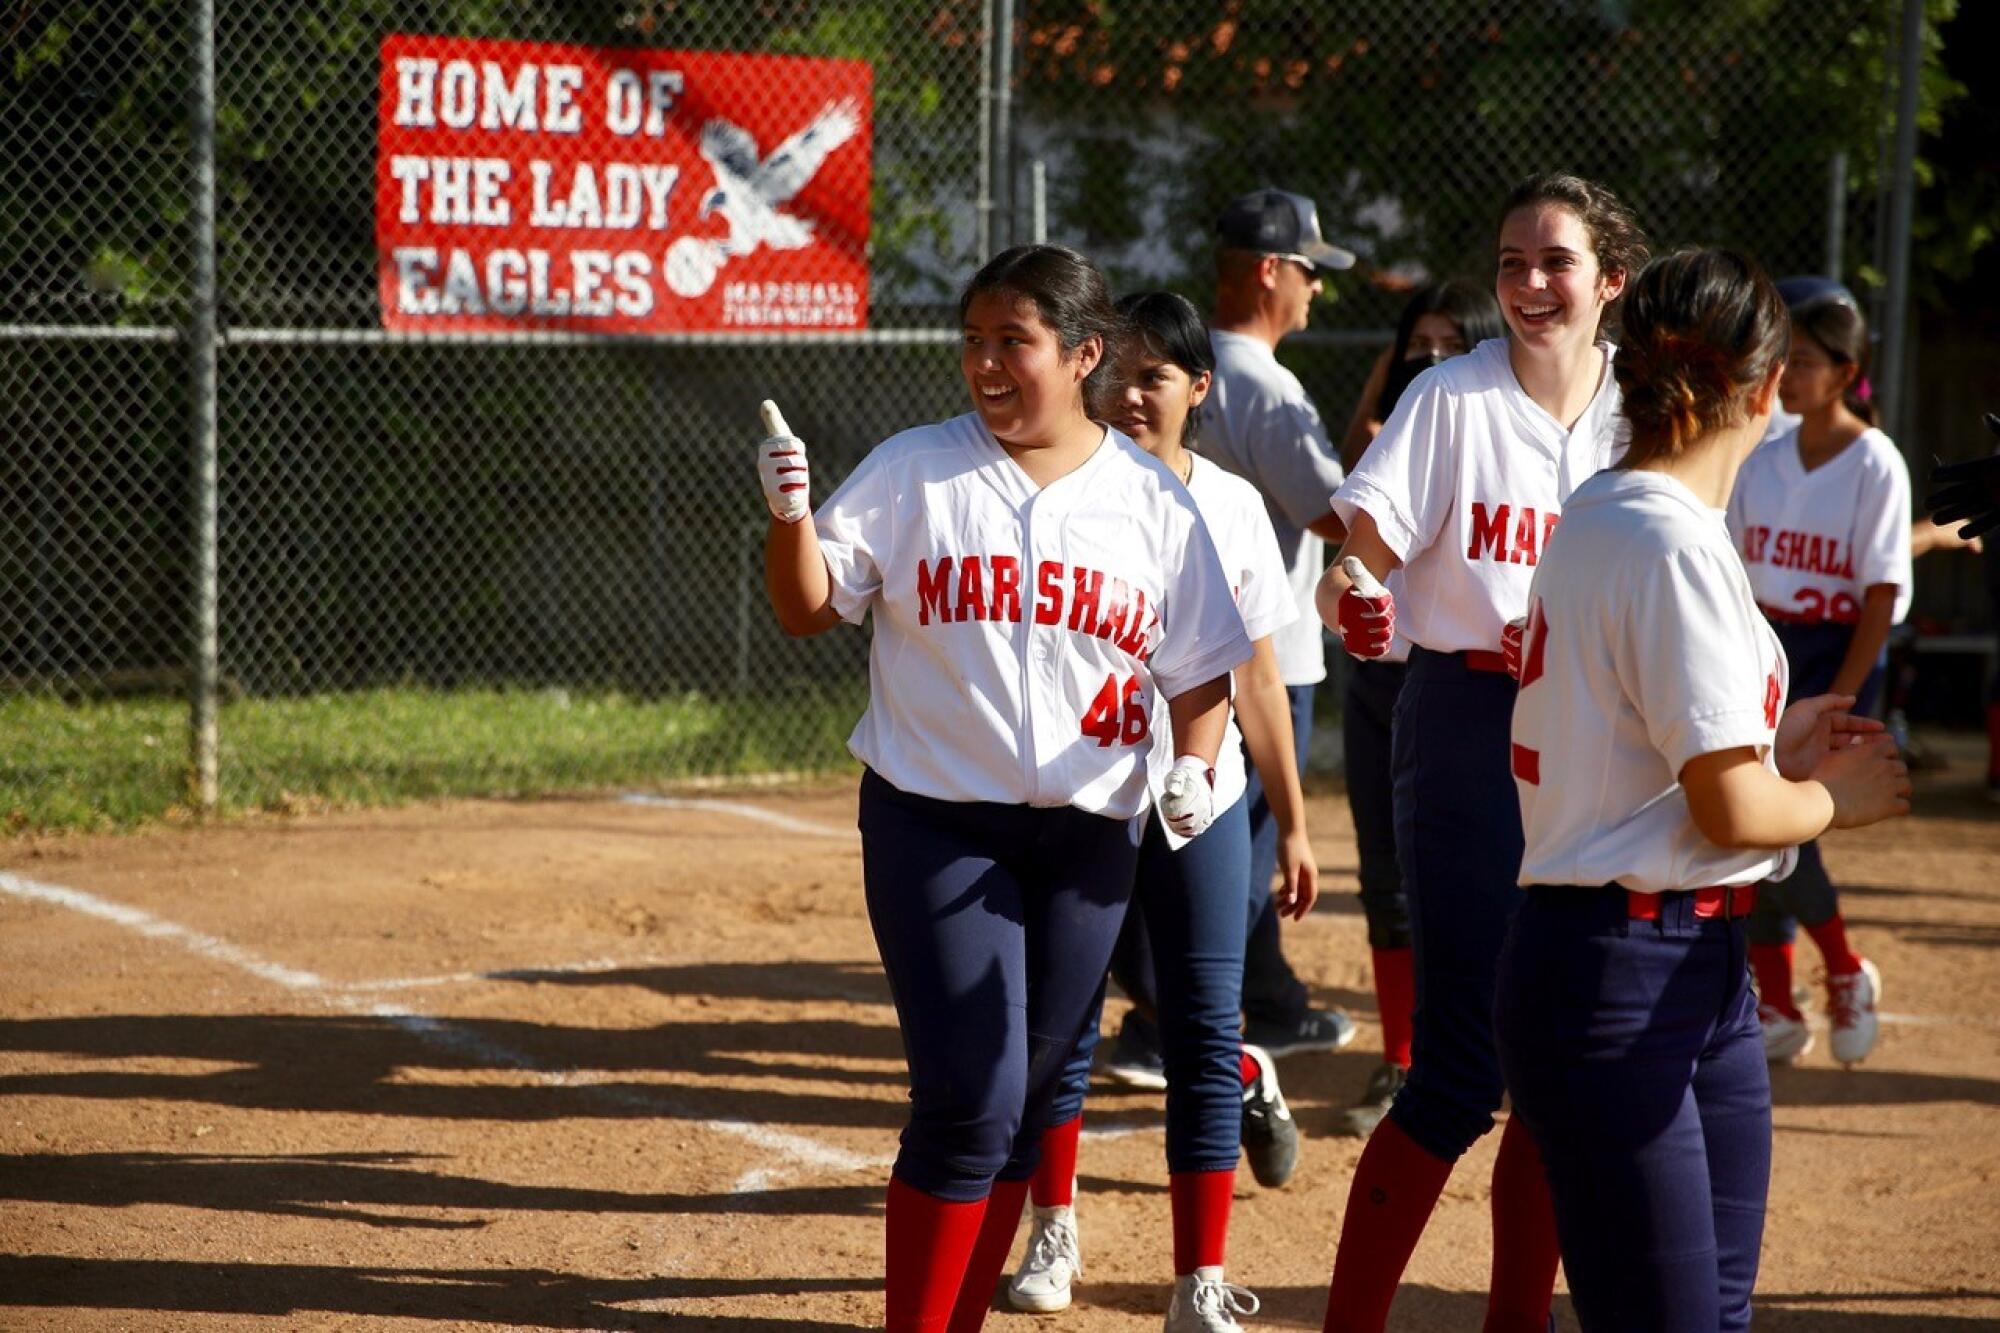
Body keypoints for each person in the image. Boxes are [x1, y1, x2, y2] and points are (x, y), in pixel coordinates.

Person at [758, 243, 1253, 1333]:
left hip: (1087, 840)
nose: (984, 362)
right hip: (936, 824)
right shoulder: (912, 469)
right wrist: (790, 516)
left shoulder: (1150, 503)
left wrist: (1188, 761)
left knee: (1027, 1111)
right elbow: (804, 610)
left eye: (1012, 342)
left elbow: (1200, 670)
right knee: (968, 1095)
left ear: (1081, 354)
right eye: (973, 341)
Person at [1497, 245, 1912, 1332]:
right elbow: (1731, 811)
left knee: (1707, 1317)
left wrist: (1771, 733)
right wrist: (1839, 801)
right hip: (1617, 970)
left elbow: (1633, 743)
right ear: (1768, 388)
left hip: (1681, 965)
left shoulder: (1613, 509)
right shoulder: (1663, 537)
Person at [1315, 172, 1649, 1333]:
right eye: (1510, 262)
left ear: (1610, 280)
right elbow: (1348, 562)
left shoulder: (1646, 413)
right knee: (1460, 1070)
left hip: (1608, 743)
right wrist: (1355, 597)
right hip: (1466, 726)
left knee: (1560, 1071)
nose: (1527, 283)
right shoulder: (1447, 398)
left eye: (1554, 261)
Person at [1007, 291, 1318, 1332]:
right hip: (1084, 797)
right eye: (1118, 371)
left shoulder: (1228, 504)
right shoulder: (1061, 485)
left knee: (1198, 1023)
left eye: (1157, 375)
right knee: (1062, 1026)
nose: (1132, 393)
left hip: (1200, 800)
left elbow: (1261, 679)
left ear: (1199, 389)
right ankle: (1052, 1227)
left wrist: (1296, 820)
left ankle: (1197, 1280)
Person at [1330, 279, 1507, 1138]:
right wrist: (1396, 368)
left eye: (1449, 342)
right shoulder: (1399, 430)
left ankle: (1498, 1047)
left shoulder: (1482, 419)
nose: (1429, 357)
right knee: (1386, 883)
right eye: (1417, 344)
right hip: (1390, 683)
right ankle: (1402, 1055)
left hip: (1492, 688)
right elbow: (1348, 550)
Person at [1186, 187, 1358, 1065]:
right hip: (1268, 646)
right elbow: (1332, 513)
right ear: (1266, 271)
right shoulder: (1264, 383)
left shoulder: (1180, 367)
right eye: (1305, 269)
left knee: (1213, 825)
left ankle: (1261, 996)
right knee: (1249, 839)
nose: (1314, 288)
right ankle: (1213, 1010)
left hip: (1187, 640)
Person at [1725, 277, 1912, 1066]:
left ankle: (1837, 970)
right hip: (1759, 643)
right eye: (1785, 358)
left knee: (1794, 829)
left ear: (1845, 370)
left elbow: (1880, 593)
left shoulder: (1875, 462)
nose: (1790, 374)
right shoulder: (1760, 449)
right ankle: (1779, 998)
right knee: (1757, 825)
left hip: (1834, 654)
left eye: (1806, 360)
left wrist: (1851, 690)